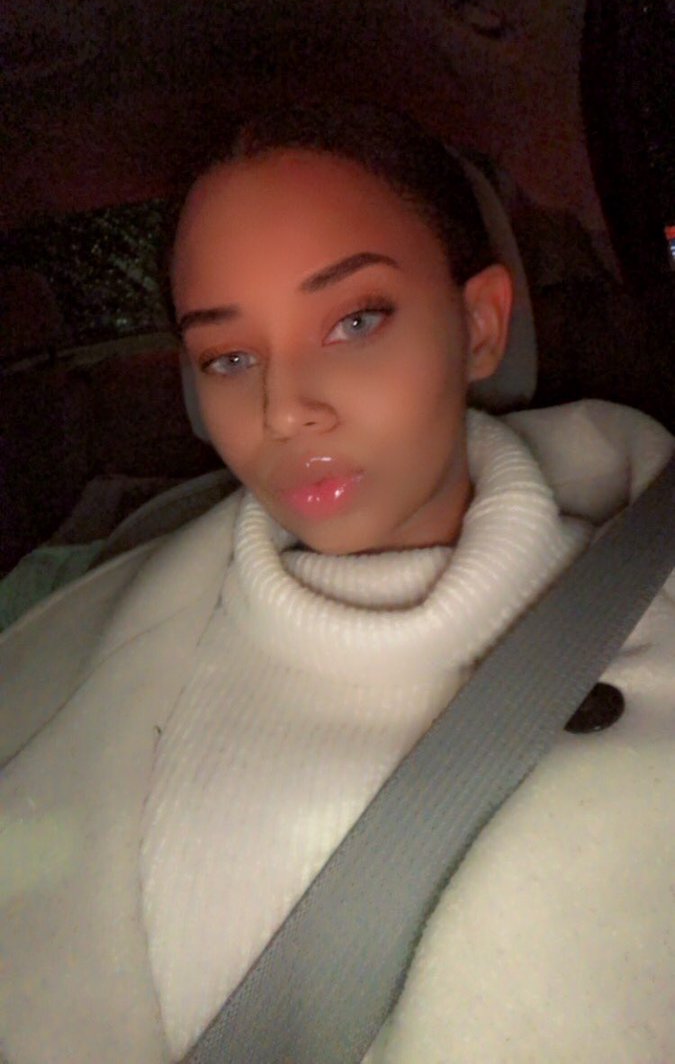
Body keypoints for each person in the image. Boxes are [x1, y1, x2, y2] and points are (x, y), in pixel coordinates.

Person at [0, 103, 673, 1064]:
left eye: (355, 322)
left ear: (479, 325)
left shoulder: (647, 590)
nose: (284, 408)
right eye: (230, 357)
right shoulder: (78, 626)